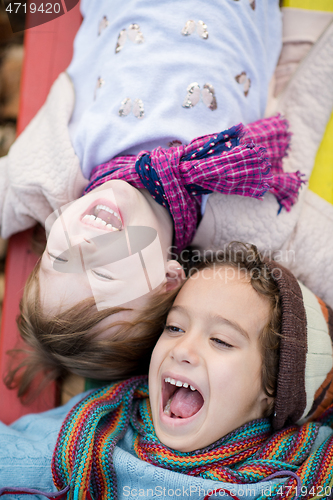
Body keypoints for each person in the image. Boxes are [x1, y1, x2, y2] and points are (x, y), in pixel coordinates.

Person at [1, 243, 333, 499]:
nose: (183, 350)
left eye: (220, 340)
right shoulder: (93, 429)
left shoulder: (304, 471)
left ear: (273, 386)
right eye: (174, 328)